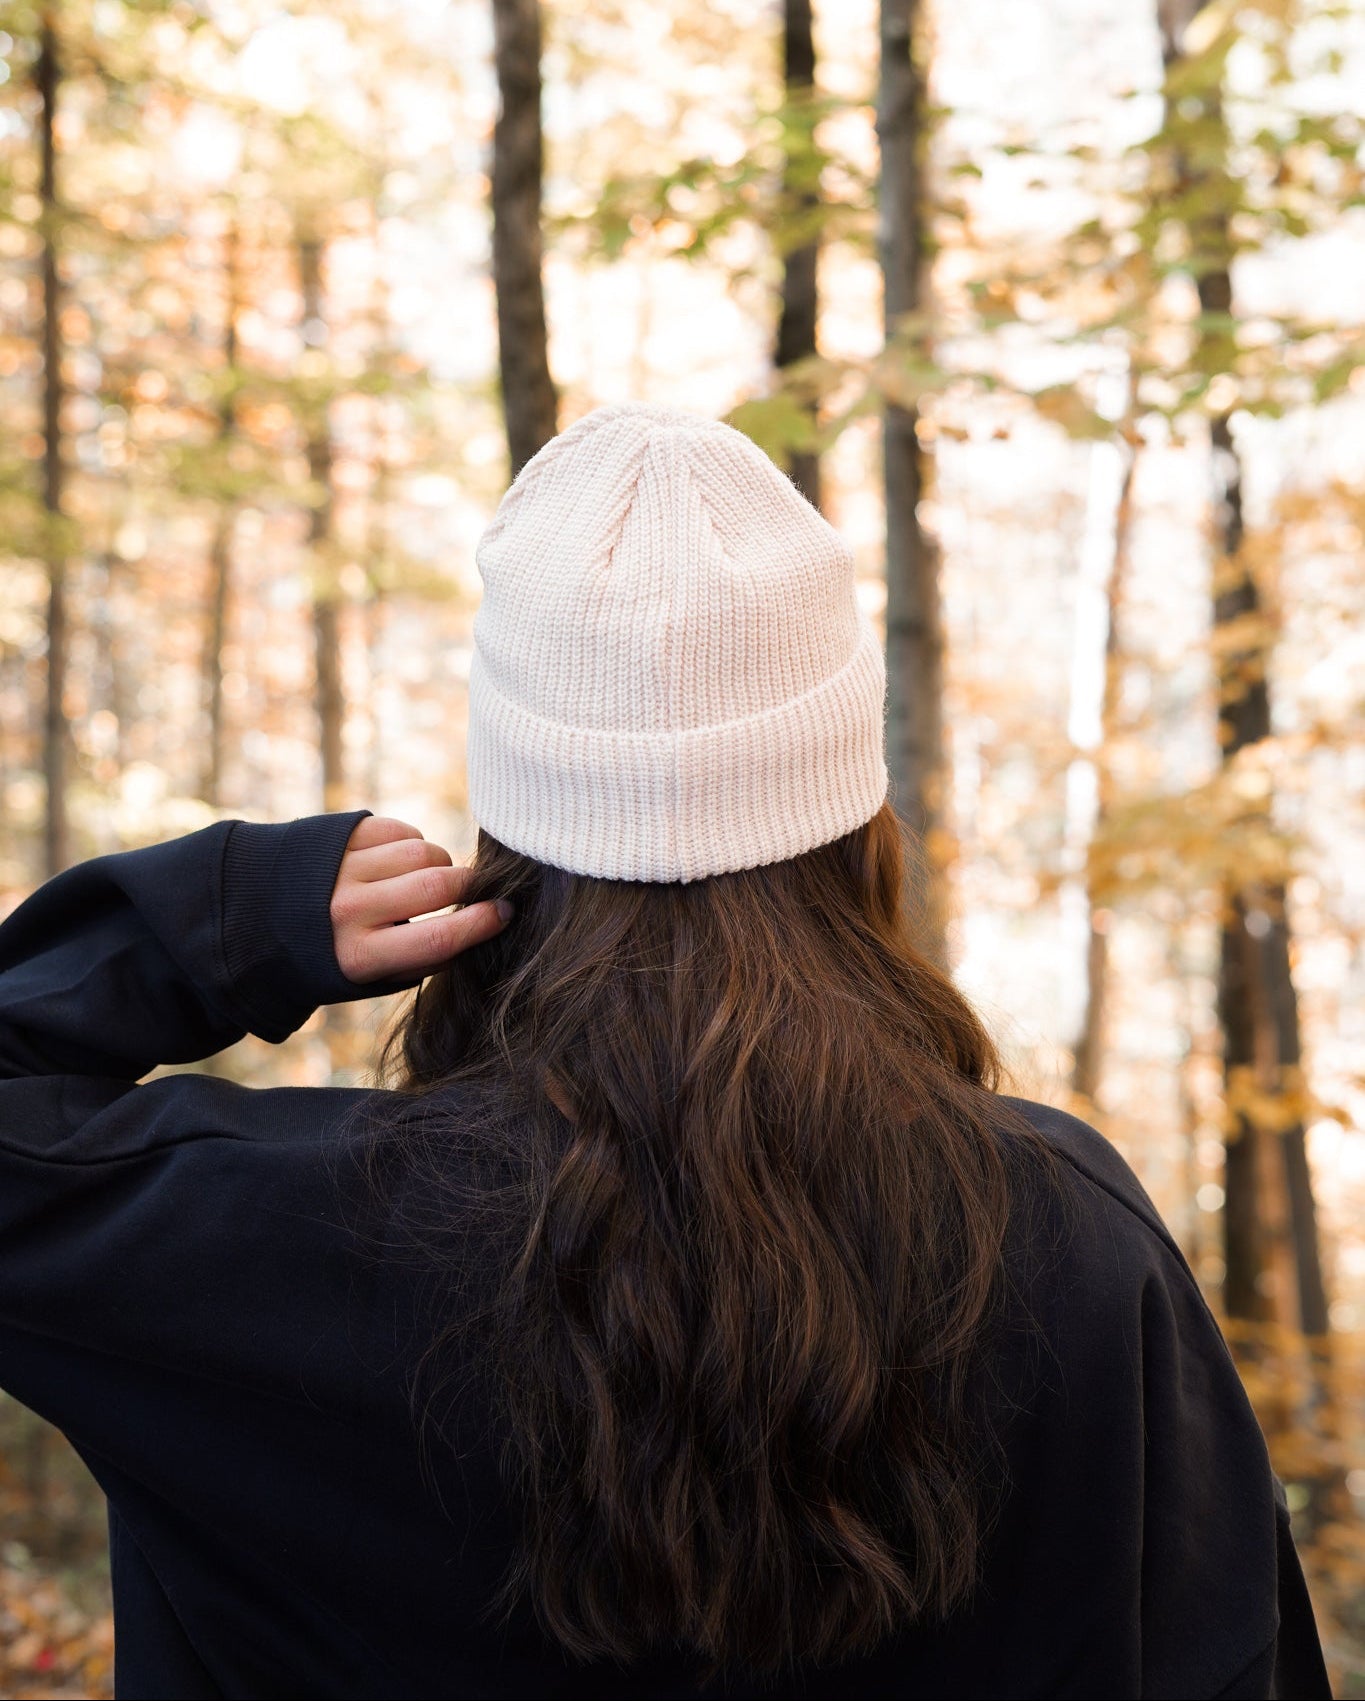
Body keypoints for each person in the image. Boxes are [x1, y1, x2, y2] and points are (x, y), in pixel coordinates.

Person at [0, 403, 1330, 1700]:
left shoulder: (258, 1241)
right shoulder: (1069, 1244)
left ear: (508, 838)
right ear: (857, 828)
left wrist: (239, 916)